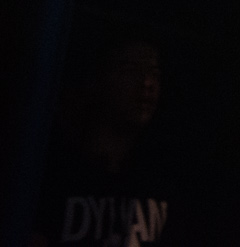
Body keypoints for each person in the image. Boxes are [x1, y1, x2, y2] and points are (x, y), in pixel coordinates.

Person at [31, 16, 179, 247]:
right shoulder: (54, 176)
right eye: (131, 70)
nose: (147, 83)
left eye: (154, 73)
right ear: (98, 79)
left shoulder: (159, 178)